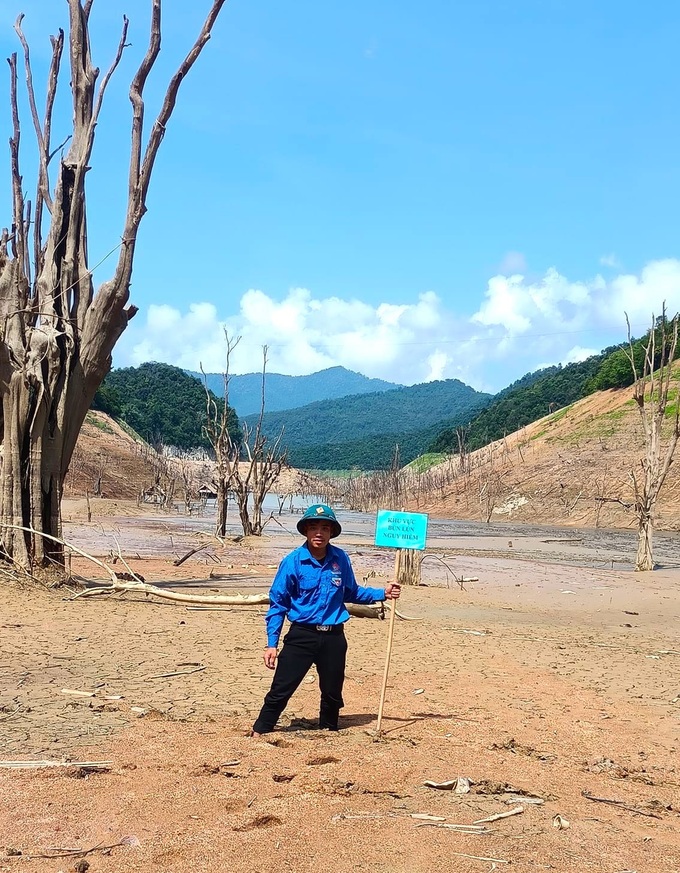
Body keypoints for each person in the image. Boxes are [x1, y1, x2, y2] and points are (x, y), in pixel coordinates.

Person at [250, 503, 401, 736]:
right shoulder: (292, 561)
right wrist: (272, 644)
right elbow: (278, 604)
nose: (318, 533)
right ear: (306, 531)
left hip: (333, 637)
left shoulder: (340, 559)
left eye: (324, 528)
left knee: (332, 691)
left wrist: (384, 593)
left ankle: (328, 730)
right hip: (302, 635)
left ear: (332, 532)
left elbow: (352, 593)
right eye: (313, 527)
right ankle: (261, 729)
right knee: (281, 688)